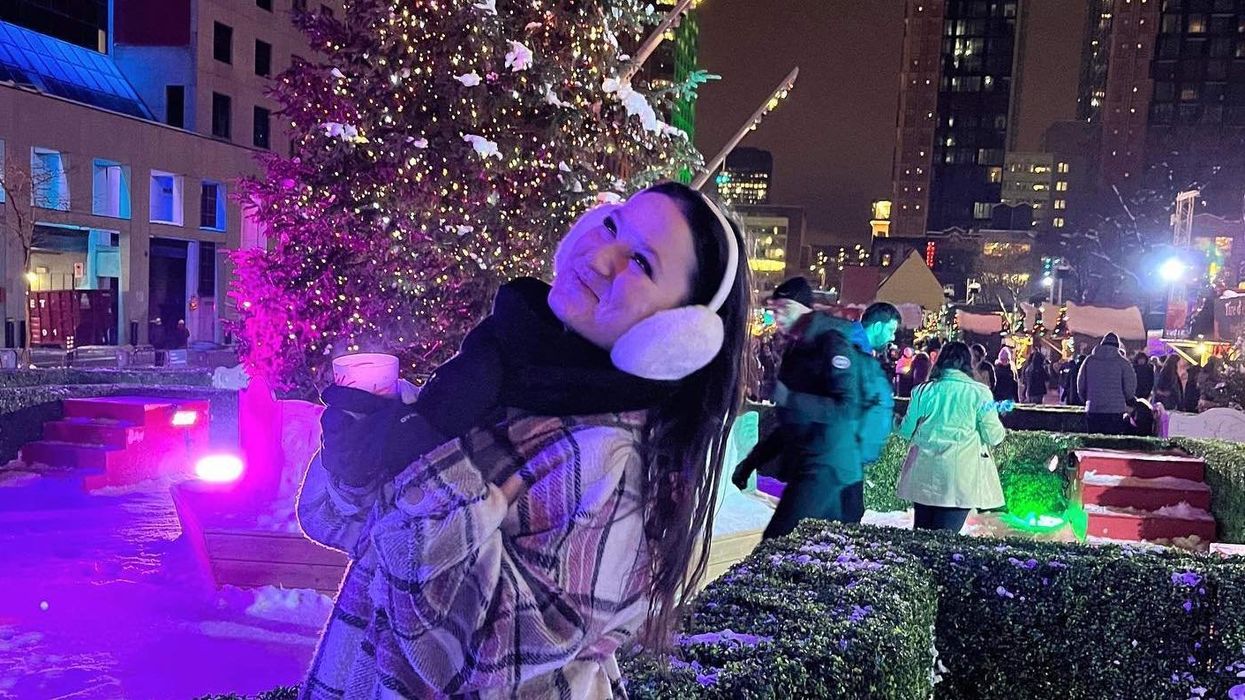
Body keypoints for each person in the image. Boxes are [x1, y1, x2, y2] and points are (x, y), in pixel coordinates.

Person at [298, 181, 751, 698]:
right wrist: (357, 460)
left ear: (677, 335)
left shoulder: (609, 459)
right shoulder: (499, 376)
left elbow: (482, 656)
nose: (603, 257)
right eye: (612, 225)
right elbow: (353, 534)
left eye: (643, 264)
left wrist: (425, 465)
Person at [759, 301, 900, 538]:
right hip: (834, 454)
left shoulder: (860, 349)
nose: (893, 336)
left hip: (843, 456)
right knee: (812, 528)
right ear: (877, 326)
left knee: (835, 526)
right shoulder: (846, 342)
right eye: (891, 330)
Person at [897, 341, 1006, 532]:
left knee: (921, 535)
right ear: (968, 363)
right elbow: (994, 436)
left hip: (924, 475)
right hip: (960, 478)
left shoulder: (923, 391)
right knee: (946, 538)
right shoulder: (980, 393)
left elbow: (906, 431)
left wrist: (893, 421)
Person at [730, 277, 815, 488]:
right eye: (775, 309)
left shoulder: (822, 343)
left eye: (785, 308)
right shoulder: (794, 344)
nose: (778, 316)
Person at [1076, 332, 1137, 435]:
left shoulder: (1089, 360)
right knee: (1111, 444)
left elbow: (1080, 385)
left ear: (1102, 344)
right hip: (1115, 410)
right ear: (1117, 346)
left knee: (1094, 443)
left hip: (1093, 408)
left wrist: (1087, 400)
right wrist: (1126, 399)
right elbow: (1129, 389)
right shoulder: (1123, 363)